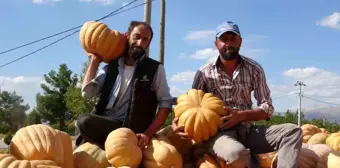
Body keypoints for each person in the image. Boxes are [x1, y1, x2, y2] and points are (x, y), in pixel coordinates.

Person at [172, 21, 303, 168]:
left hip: (248, 130)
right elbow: (191, 106)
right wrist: (178, 122)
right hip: (219, 133)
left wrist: (241, 116)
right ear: (216, 43)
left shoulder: (254, 69)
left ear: (240, 42)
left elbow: (267, 108)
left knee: (293, 131)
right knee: (237, 154)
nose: (228, 43)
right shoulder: (204, 72)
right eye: (224, 39)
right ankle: (248, 158)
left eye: (233, 39)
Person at [75, 20, 173, 150]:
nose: (139, 43)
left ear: (148, 43)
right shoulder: (112, 66)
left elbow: (165, 104)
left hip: (129, 130)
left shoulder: (155, 69)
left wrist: (147, 134)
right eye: (136, 37)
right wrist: (94, 61)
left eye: (145, 40)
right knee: (82, 123)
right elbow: (87, 94)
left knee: (84, 121)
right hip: (105, 122)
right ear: (127, 35)